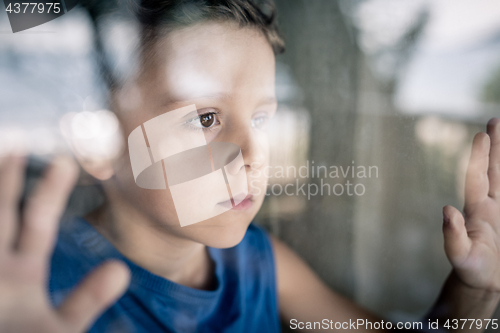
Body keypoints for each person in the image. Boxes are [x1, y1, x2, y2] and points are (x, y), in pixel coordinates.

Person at [0, 0, 500, 332]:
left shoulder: (260, 262)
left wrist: (473, 291)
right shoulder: (34, 296)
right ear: (101, 141)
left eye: (261, 117)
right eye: (206, 118)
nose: (252, 155)